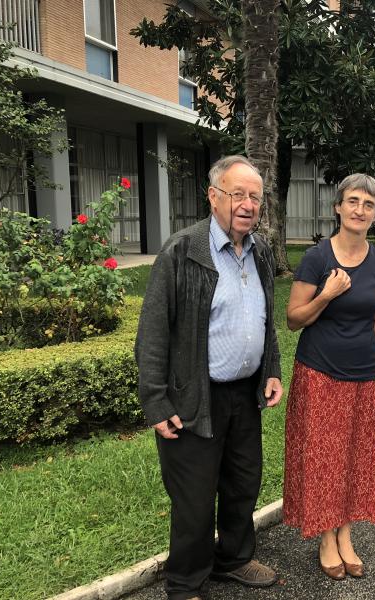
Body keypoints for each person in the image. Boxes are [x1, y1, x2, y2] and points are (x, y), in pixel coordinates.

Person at [135, 155, 283, 600]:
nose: (248, 204)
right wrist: (156, 402)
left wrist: (272, 369)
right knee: (195, 500)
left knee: (242, 484)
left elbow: (264, 319)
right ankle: (185, 583)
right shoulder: (183, 250)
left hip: (244, 395)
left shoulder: (260, 250)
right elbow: (154, 331)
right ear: (214, 196)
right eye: (238, 194)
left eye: (255, 196)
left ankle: (233, 559)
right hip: (193, 397)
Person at [283, 174, 375, 581]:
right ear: (338, 207)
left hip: (366, 375)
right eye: (352, 201)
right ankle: (327, 537)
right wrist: (327, 295)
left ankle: (346, 533)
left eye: (368, 205)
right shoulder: (317, 258)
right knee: (324, 459)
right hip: (320, 373)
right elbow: (294, 319)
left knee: (357, 459)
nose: (359, 210)